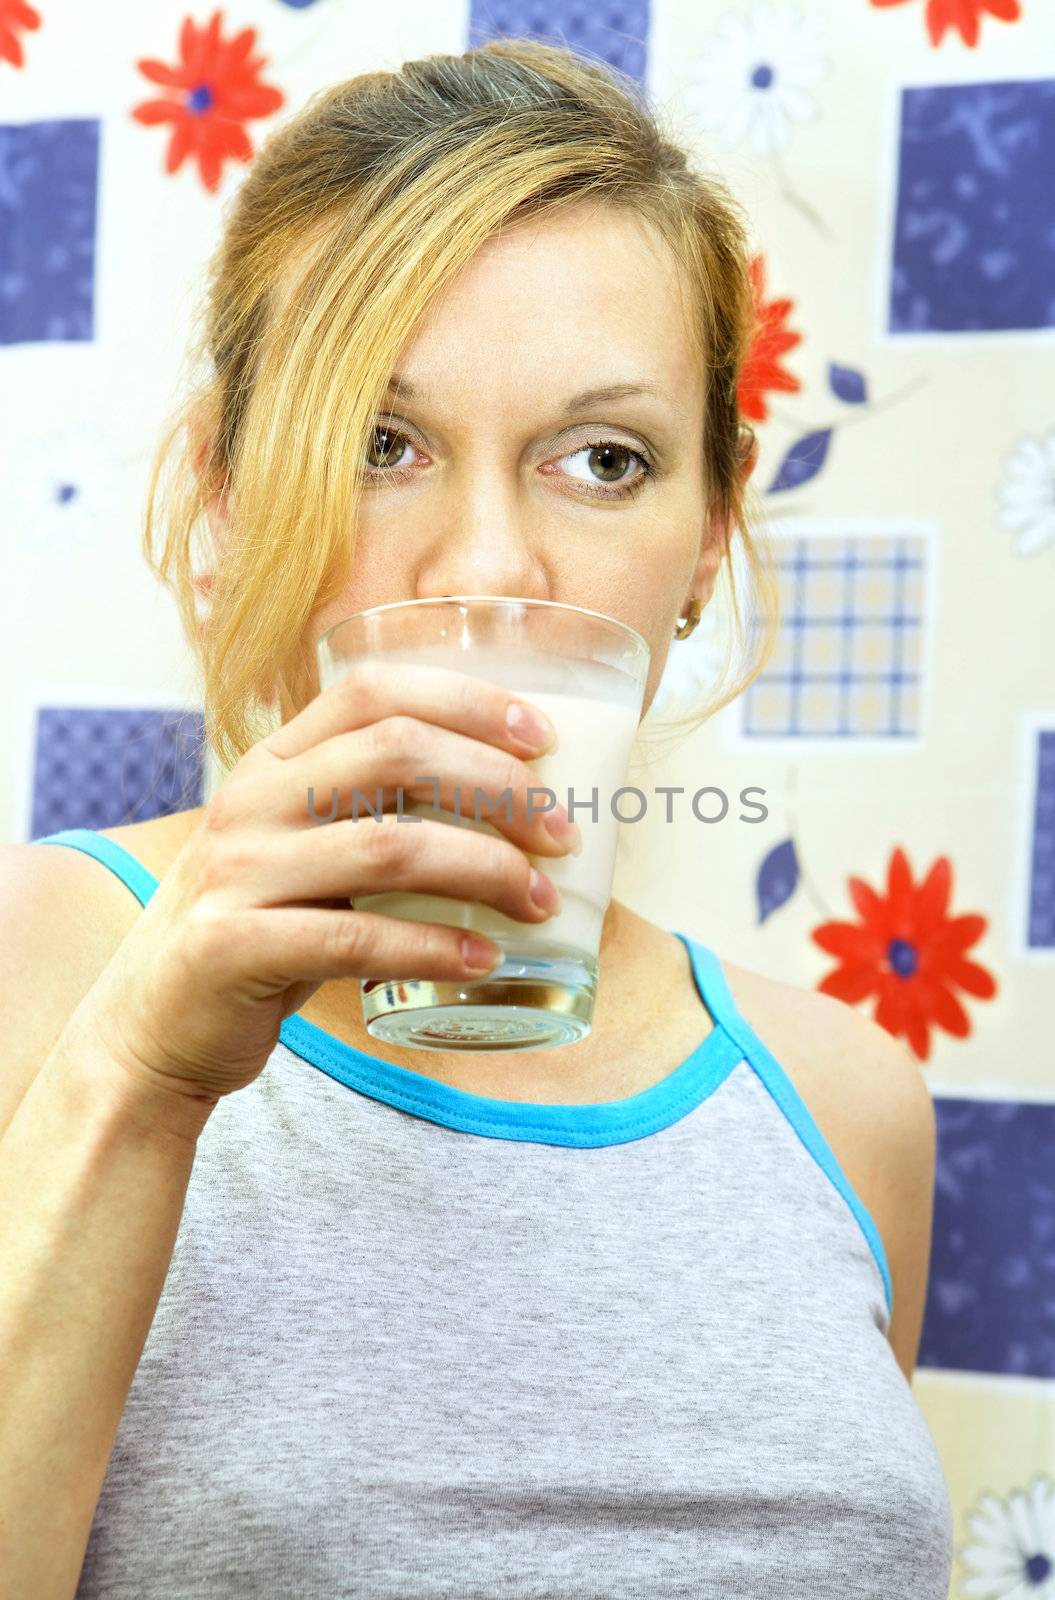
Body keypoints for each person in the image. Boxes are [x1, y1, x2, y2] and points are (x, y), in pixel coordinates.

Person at [0, 36, 954, 1600]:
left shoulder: (848, 1103)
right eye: (383, 444)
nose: (490, 563)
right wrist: (142, 1067)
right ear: (224, 498)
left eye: (603, 459)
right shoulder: (43, 970)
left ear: (709, 531)